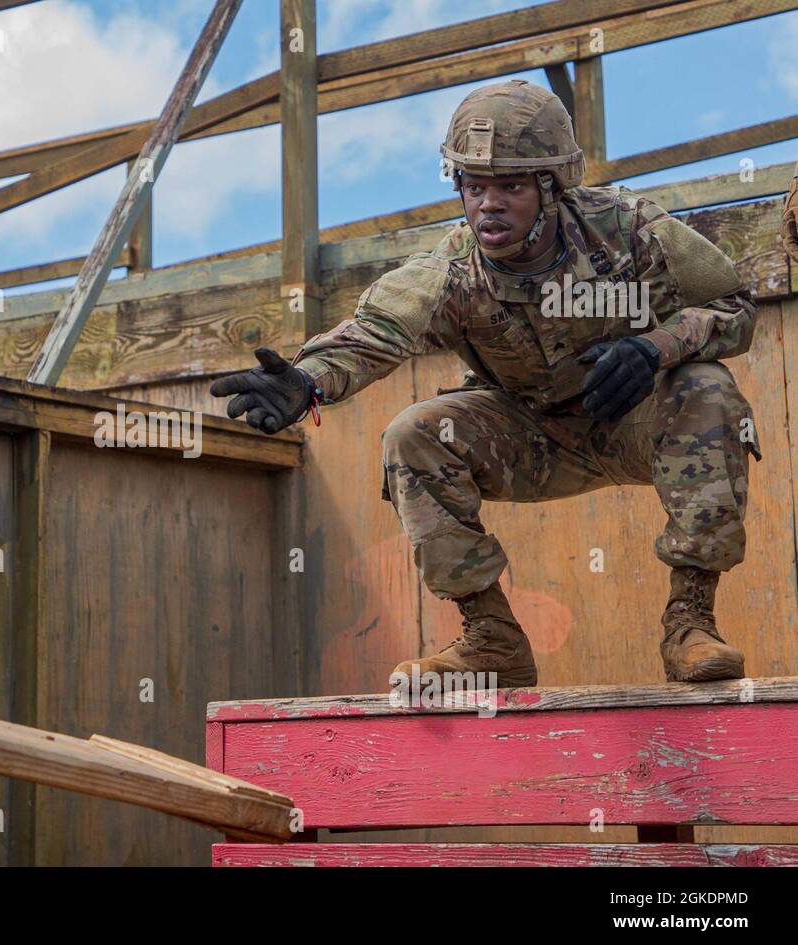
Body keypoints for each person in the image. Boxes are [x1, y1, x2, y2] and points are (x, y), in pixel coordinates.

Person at [211, 79, 759, 687]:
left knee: (707, 389)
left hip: (631, 424)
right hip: (524, 436)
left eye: (511, 186)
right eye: (474, 187)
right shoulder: (449, 269)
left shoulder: (628, 229)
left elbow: (734, 306)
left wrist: (653, 349)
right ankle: (492, 641)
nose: (488, 205)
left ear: (552, 189)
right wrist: (307, 382)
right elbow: (375, 331)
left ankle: (690, 625)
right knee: (413, 433)